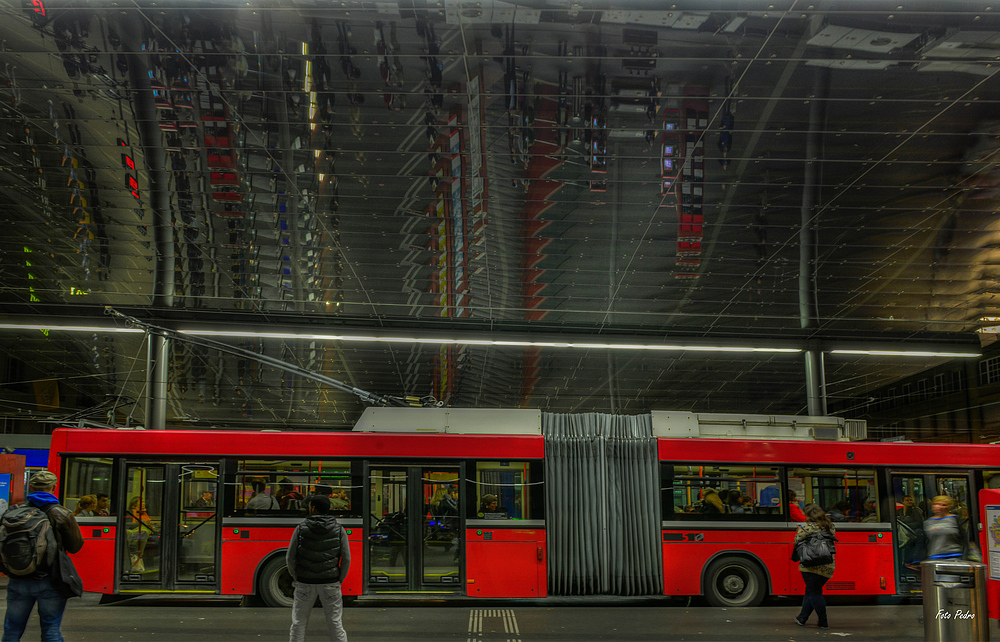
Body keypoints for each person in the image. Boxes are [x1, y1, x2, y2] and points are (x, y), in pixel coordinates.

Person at [3, 470, 84, 641]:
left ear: (31, 488)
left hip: (19, 578)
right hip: (51, 579)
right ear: (54, 488)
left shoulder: (14, 512)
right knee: (51, 629)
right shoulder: (61, 513)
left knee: (12, 630)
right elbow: (75, 546)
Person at [286, 494, 350, 642]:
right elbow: (346, 558)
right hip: (331, 583)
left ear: (313, 508)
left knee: (298, 623)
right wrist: (339, 578)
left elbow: (290, 557)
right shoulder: (339, 530)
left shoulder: (300, 529)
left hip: (305, 583)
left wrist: (296, 576)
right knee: (335, 623)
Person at [794, 503, 835, 630]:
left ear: (809, 516)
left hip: (810, 565)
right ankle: (802, 618)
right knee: (811, 590)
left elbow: (797, 539)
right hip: (827, 564)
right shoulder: (830, 525)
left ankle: (823, 621)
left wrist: (799, 530)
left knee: (815, 593)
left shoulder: (809, 527)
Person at [924, 495, 964, 560]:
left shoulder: (955, 519)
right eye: (937, 504)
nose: (940, 507)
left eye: (944, 505)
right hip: (934, 558)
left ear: (948, 507)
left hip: (954, 557)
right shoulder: (927, 523)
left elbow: (964, 539)